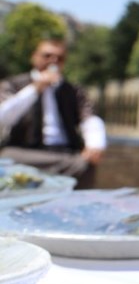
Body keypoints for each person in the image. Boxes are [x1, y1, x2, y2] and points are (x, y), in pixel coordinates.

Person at [0, 36, 105, 188]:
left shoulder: (72, 90)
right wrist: (35, 89)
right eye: (47, 56)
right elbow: (3, 116)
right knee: (7, 159)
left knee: (85, 164)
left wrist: (95, 144)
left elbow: (89, 117)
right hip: (24, 152)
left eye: (59, 58)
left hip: (63, 153)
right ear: (34, 57)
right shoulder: (14, 84)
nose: (53, 61)